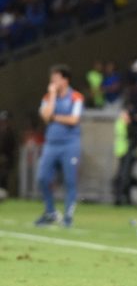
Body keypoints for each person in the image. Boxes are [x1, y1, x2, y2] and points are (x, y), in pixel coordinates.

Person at [35, 64, 84, 227]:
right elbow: (46, 117)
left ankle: (68, 216)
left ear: (65, 79)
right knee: (42, 178)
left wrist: (54, 117)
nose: (53, 81)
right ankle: (50, 212)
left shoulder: (76, 97)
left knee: (70, 180)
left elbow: (74, 120)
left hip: (70, 144)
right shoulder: (48, 97)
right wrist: (53, 95)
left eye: (56, 78)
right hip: (51, 144)